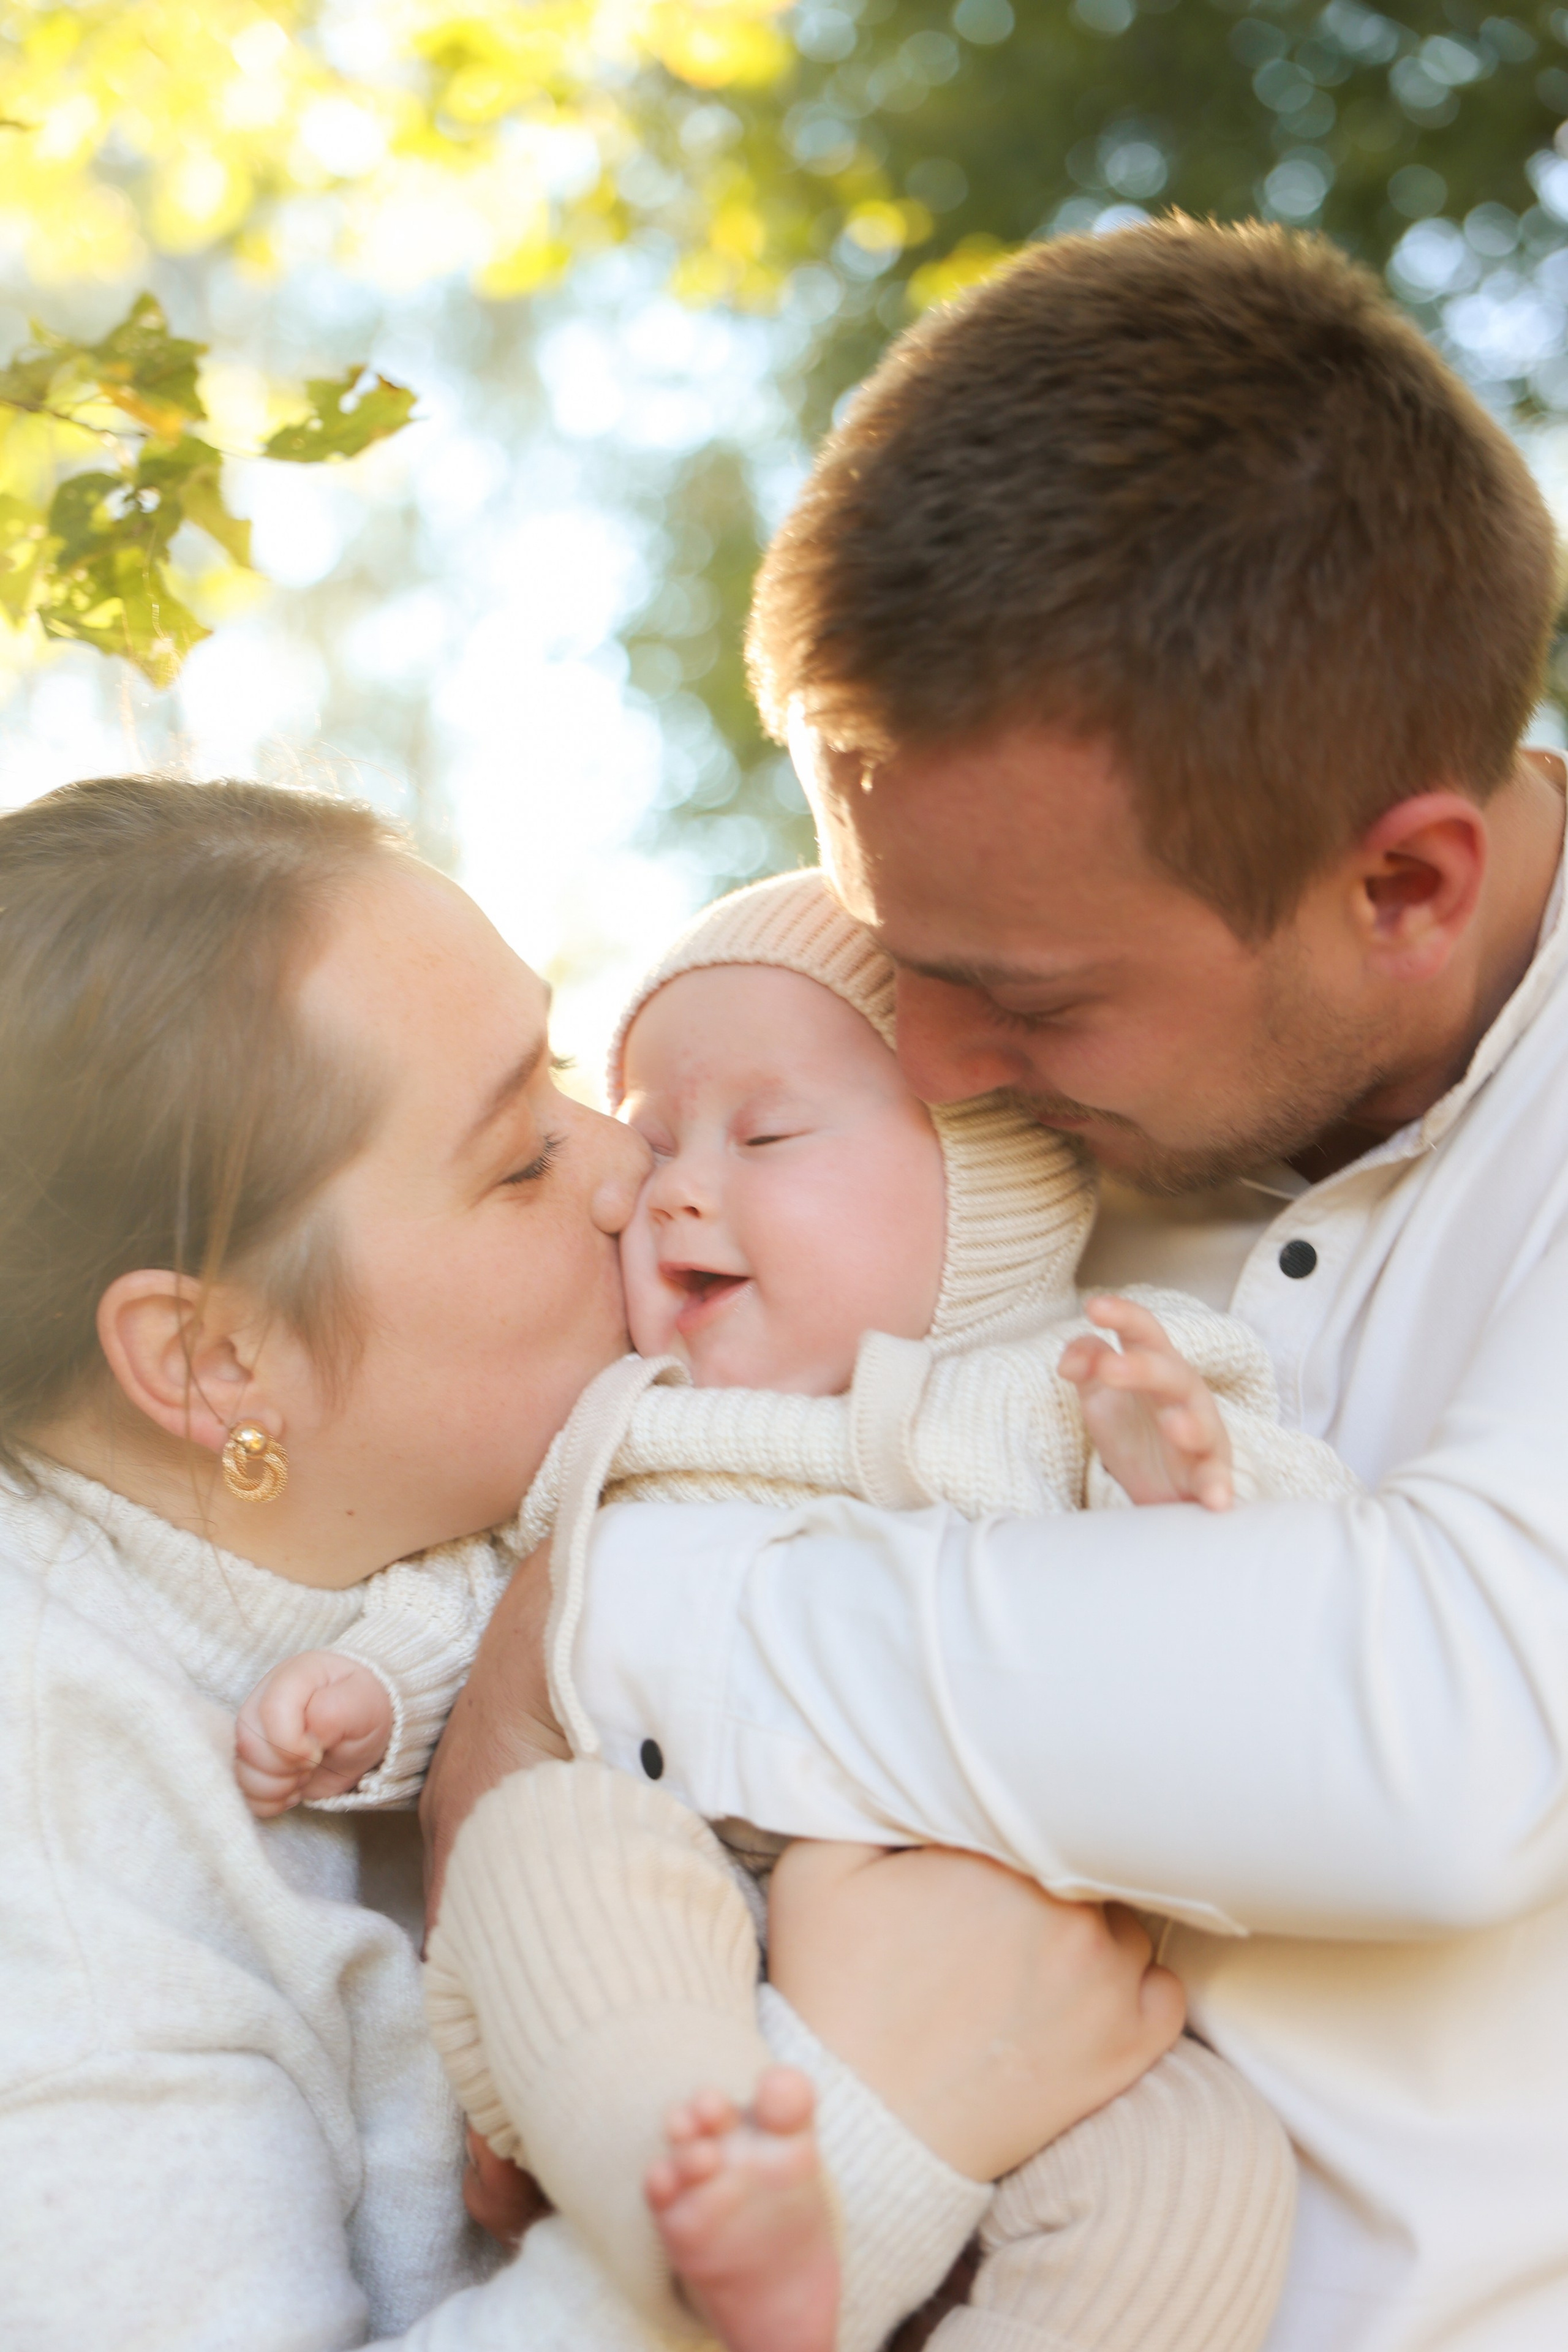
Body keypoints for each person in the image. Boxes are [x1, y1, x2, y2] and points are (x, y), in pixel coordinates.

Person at [425, 220, 1568, 2351]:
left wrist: (620, 1622)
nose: (933, 1075)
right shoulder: (1006, 1112)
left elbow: (1448, 1728)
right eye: (896, 953)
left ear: (1402, 887)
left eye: (1014, 998)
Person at [0, 774, 1182, 2351]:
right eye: (516, 1161)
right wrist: (875, 2123)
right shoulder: (50, 1834)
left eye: (566, 1083)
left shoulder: (514, 1515)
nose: (628, 1176)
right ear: (215, 1363)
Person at [247, 865, 1338, 2350]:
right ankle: (689, 2198)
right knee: (548, 1841)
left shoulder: (1068, 1387)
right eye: (650, 1140)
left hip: (1018, 1994)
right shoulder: (622, 1419)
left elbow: (1308, 1605)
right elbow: (490, 1602)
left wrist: (1182, 1479)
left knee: (1202, 2168)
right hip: (667, 1954)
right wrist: (373, 1696)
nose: (671, 1187)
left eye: (763, 1134)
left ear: (983, 1195)